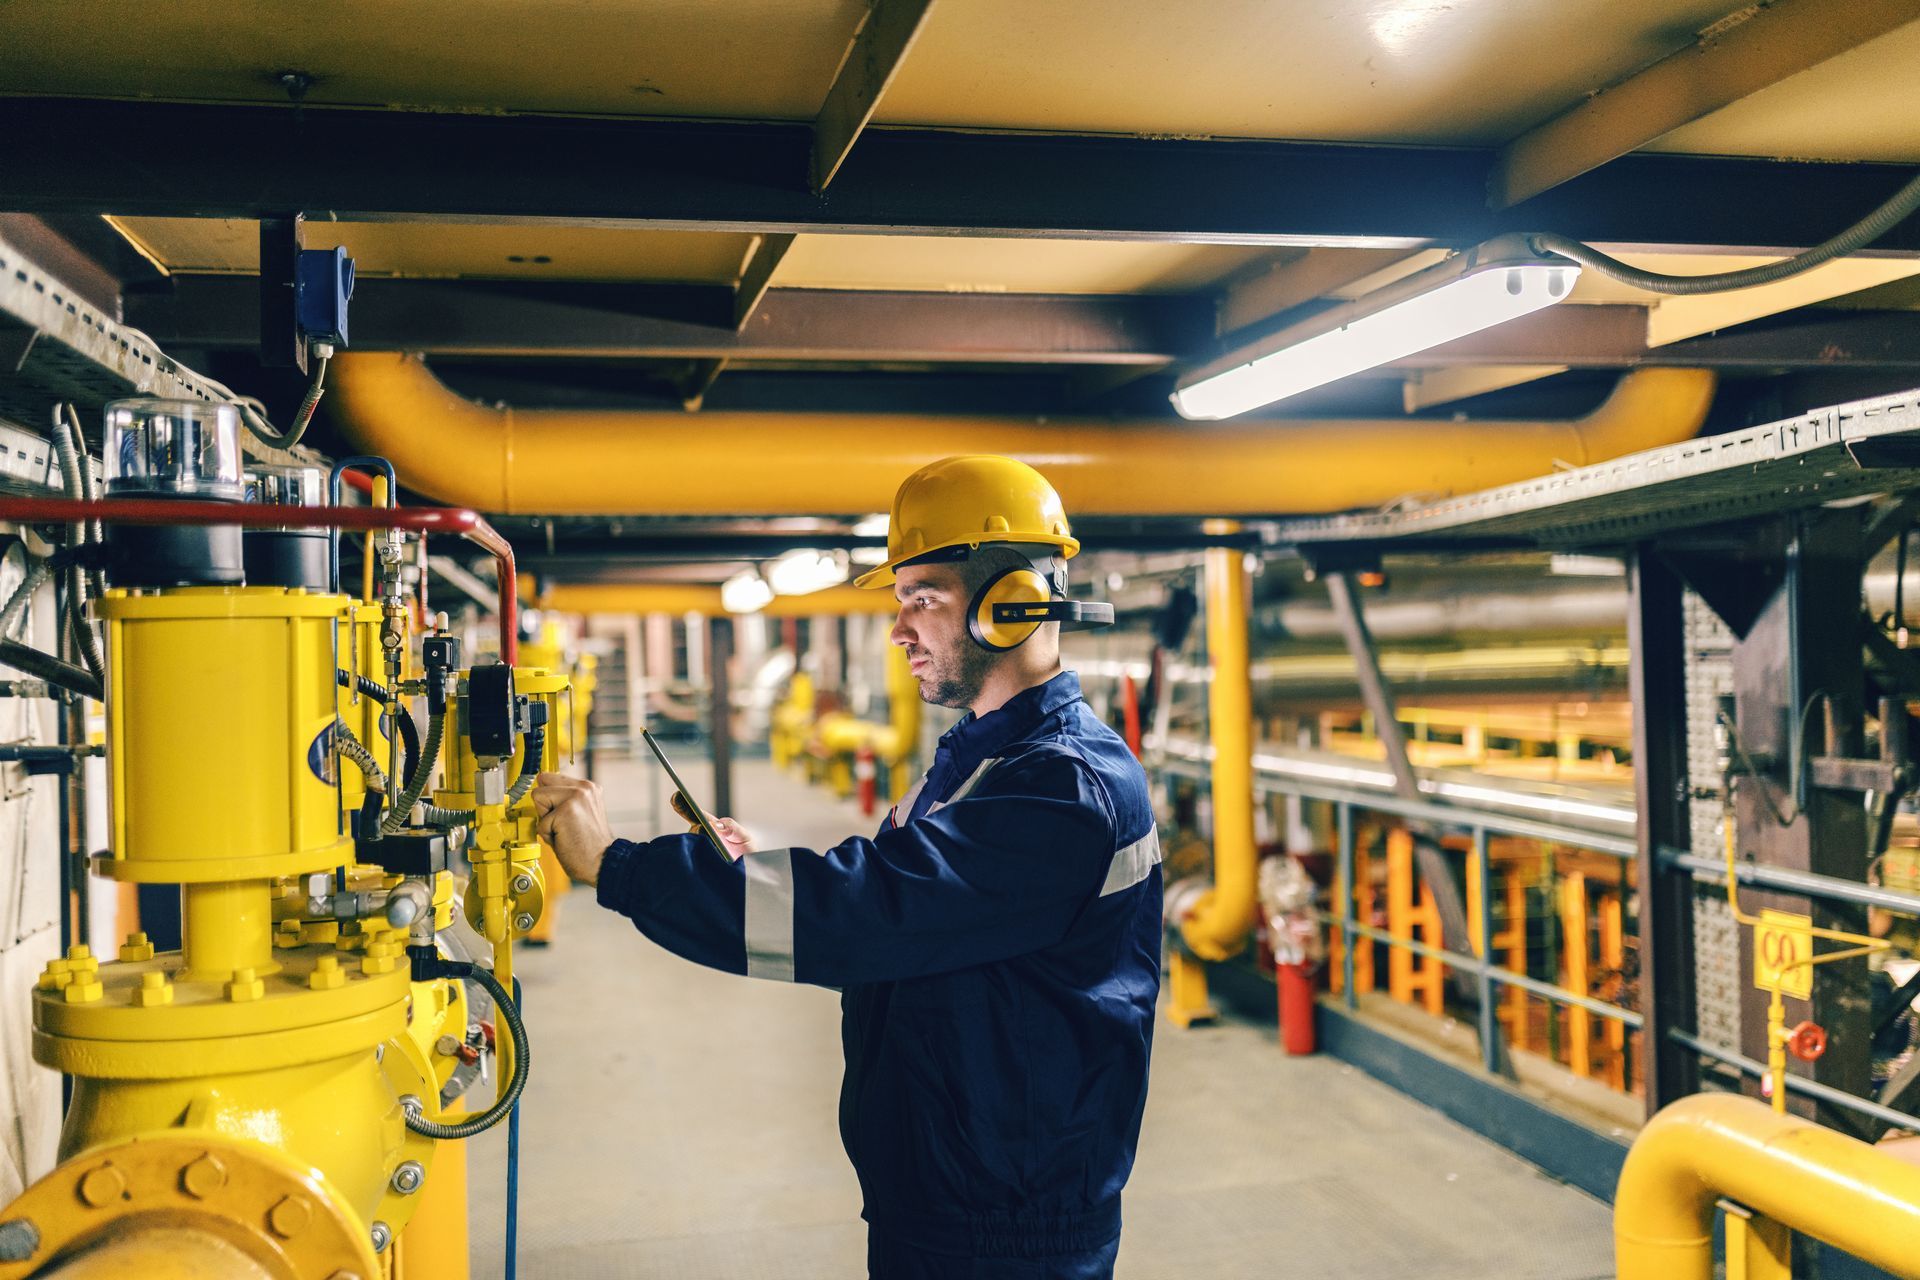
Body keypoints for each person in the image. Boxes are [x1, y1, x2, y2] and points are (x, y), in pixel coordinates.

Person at [533, 455, 1161, 1280]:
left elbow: (867, 913)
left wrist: (618, 867)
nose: (899, 630)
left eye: (921, 601)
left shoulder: (1061, 787)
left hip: (1007, 1222)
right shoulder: (985, 758)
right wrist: (746, 869)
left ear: (1008, 608)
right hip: (954, 1182)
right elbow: (911, 906)